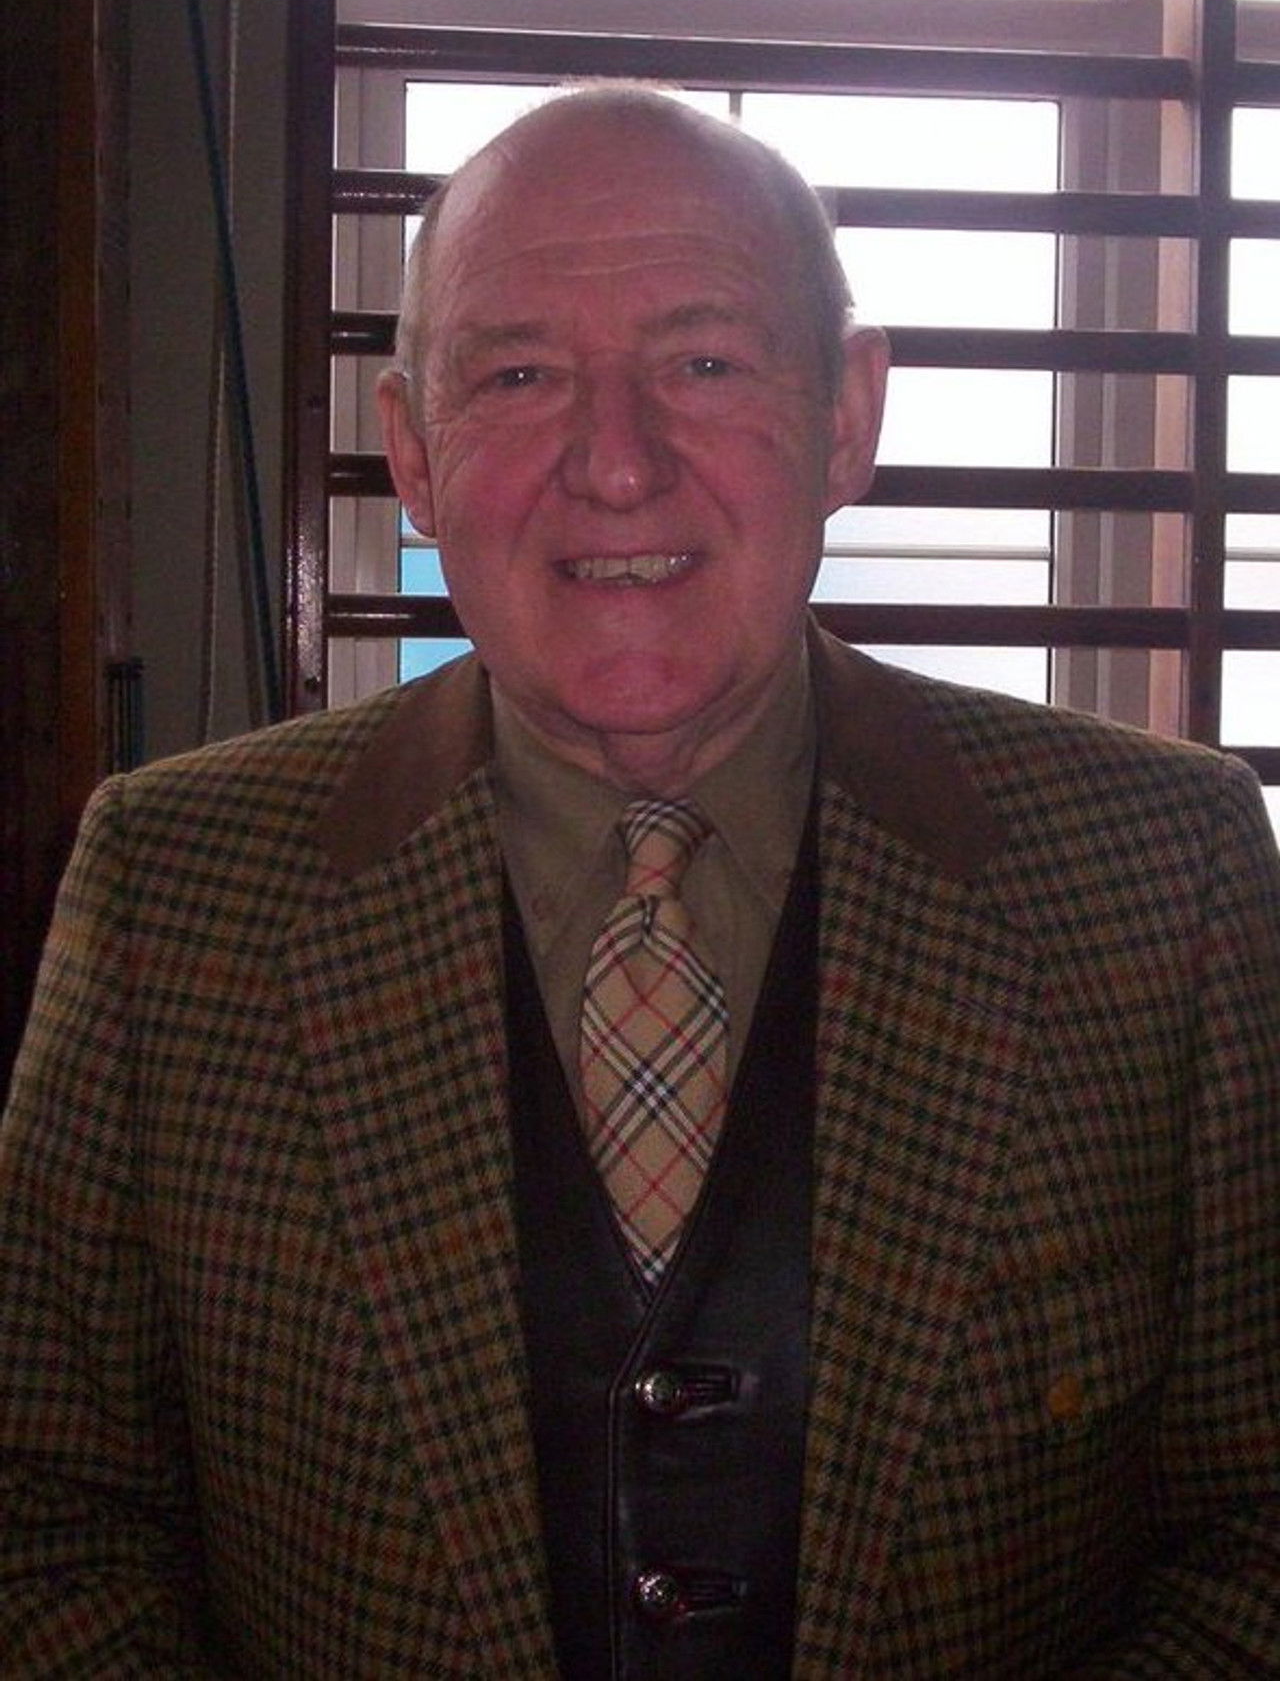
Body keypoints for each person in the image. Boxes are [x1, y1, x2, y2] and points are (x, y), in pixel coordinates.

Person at [1, 87, 1277, 1679]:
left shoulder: (1161, 869)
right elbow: (45, 1507)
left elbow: (1256, 1522)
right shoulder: (174, 888)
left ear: (848, 416)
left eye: (706, 363)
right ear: (414, 450)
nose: (615, 465)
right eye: (519, 375)